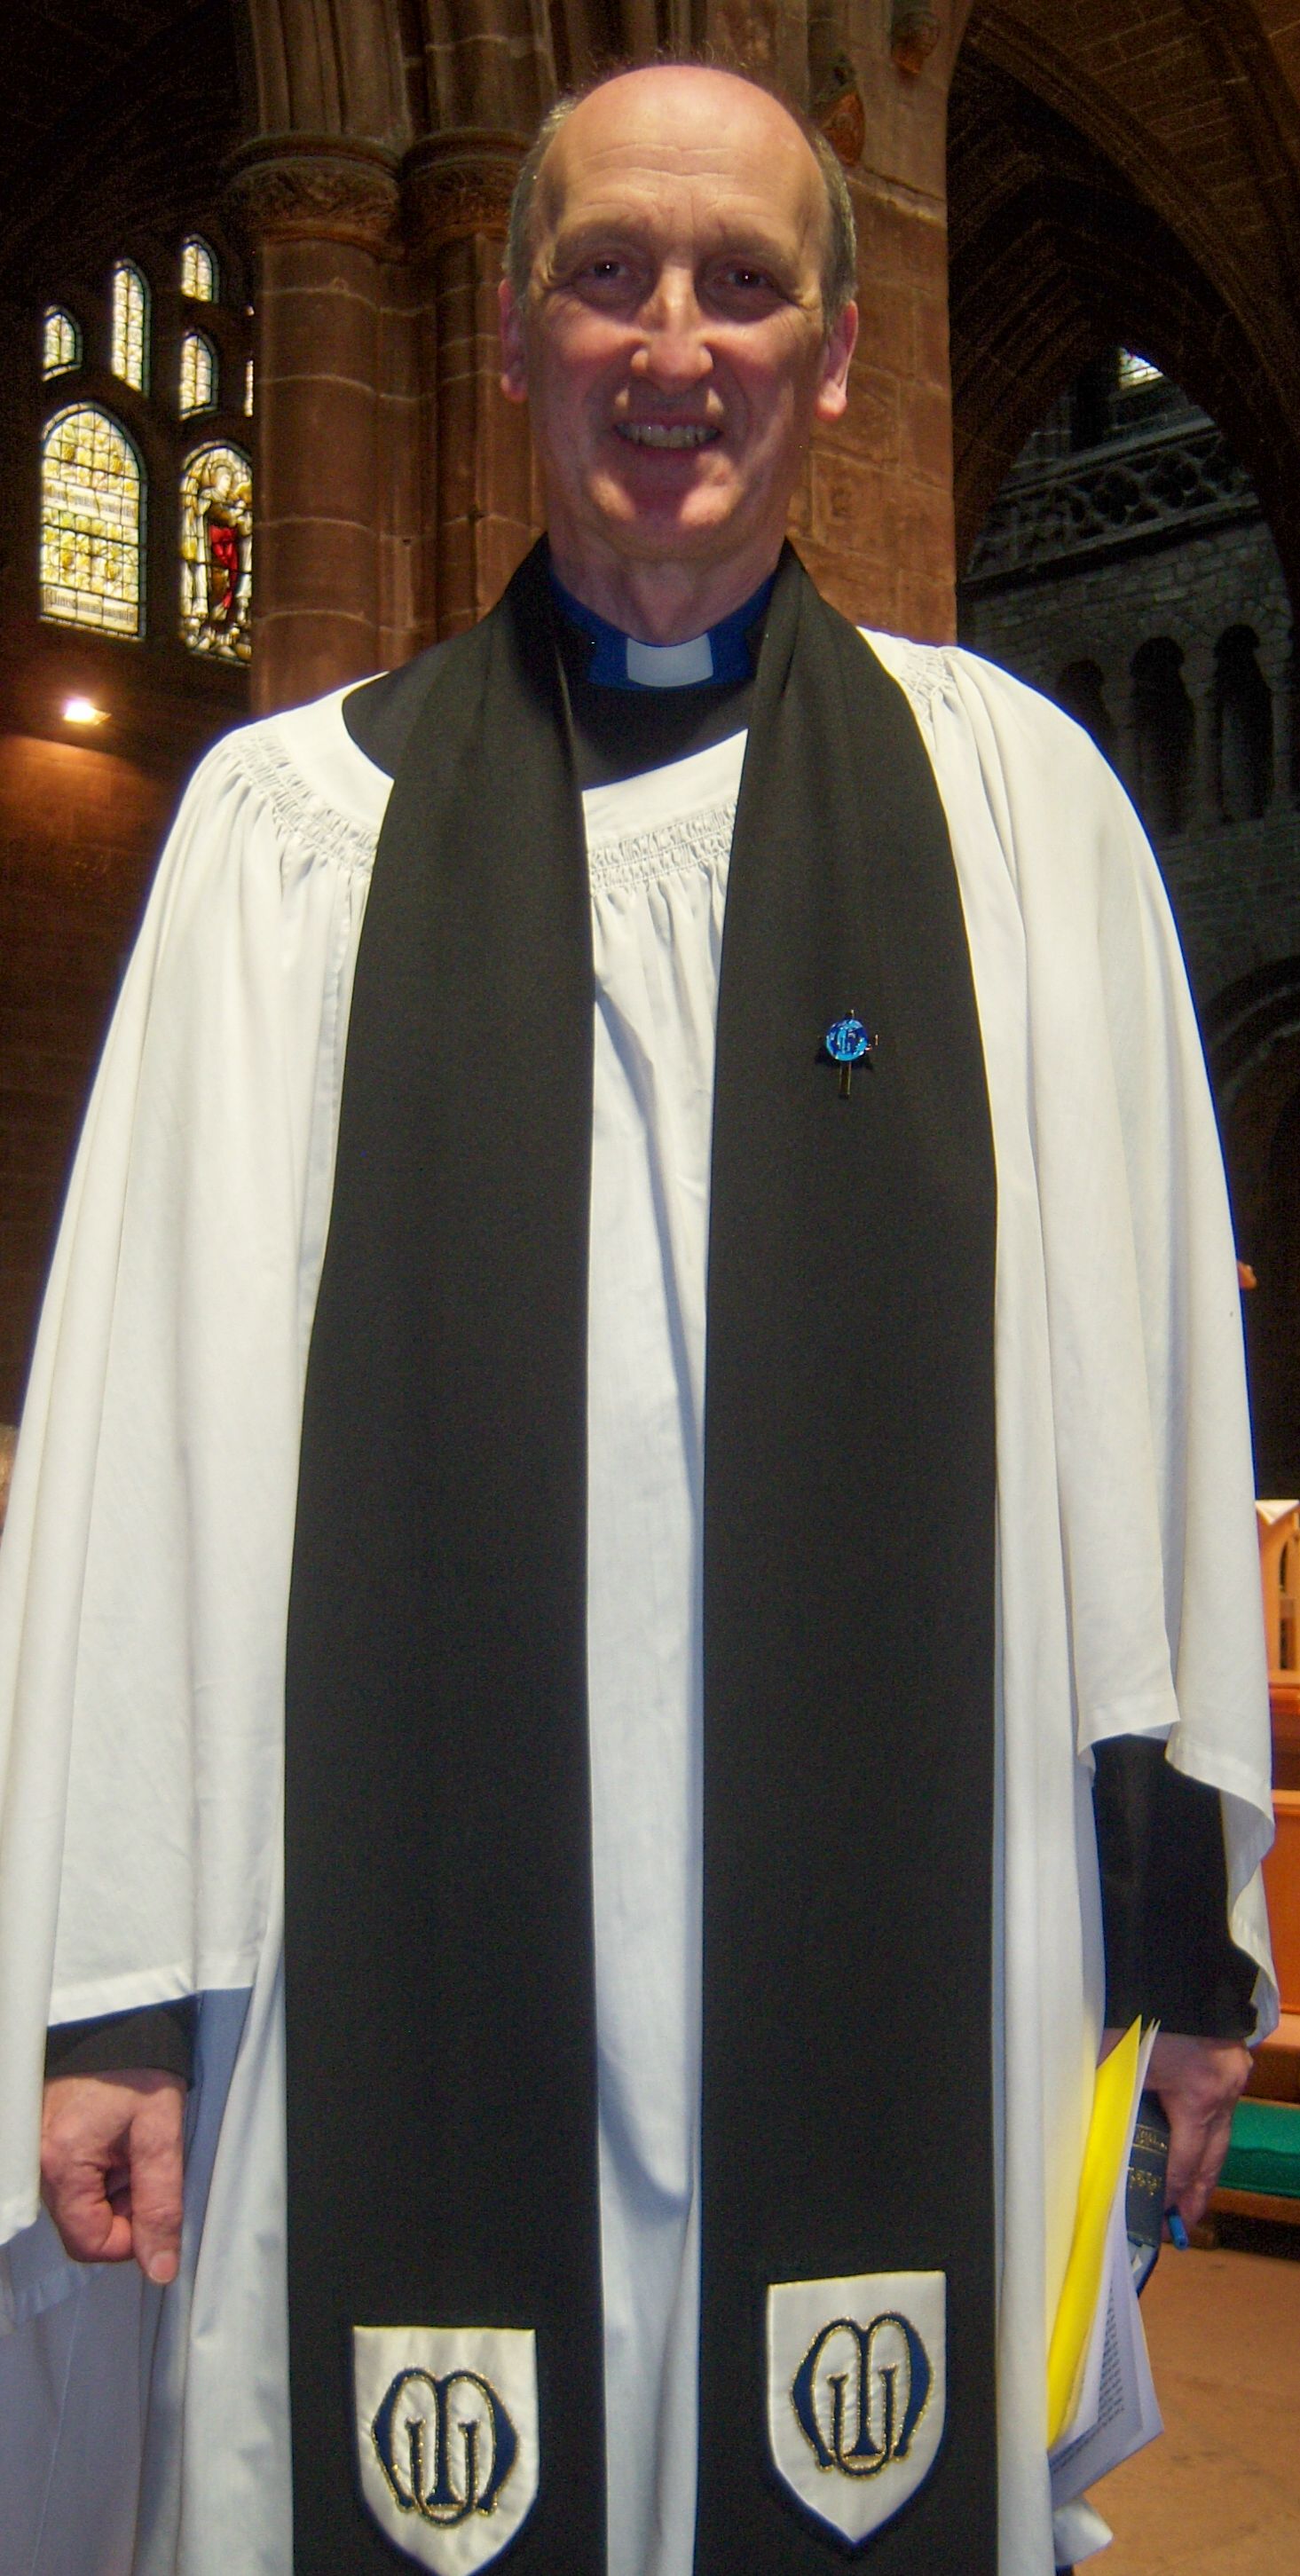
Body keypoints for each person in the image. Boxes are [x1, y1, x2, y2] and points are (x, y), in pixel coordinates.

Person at [0, 59, 1277, 2576]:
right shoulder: (289, 842)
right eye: (605, 273)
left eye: (741, 284)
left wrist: (1178, 1942)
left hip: (915, 1925)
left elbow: (1138, 1410)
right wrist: (115, 1994)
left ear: (834, 353)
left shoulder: (1017, 817)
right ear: (508, 337)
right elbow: (148, 1448)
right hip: (388, 1952)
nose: (671, 345)